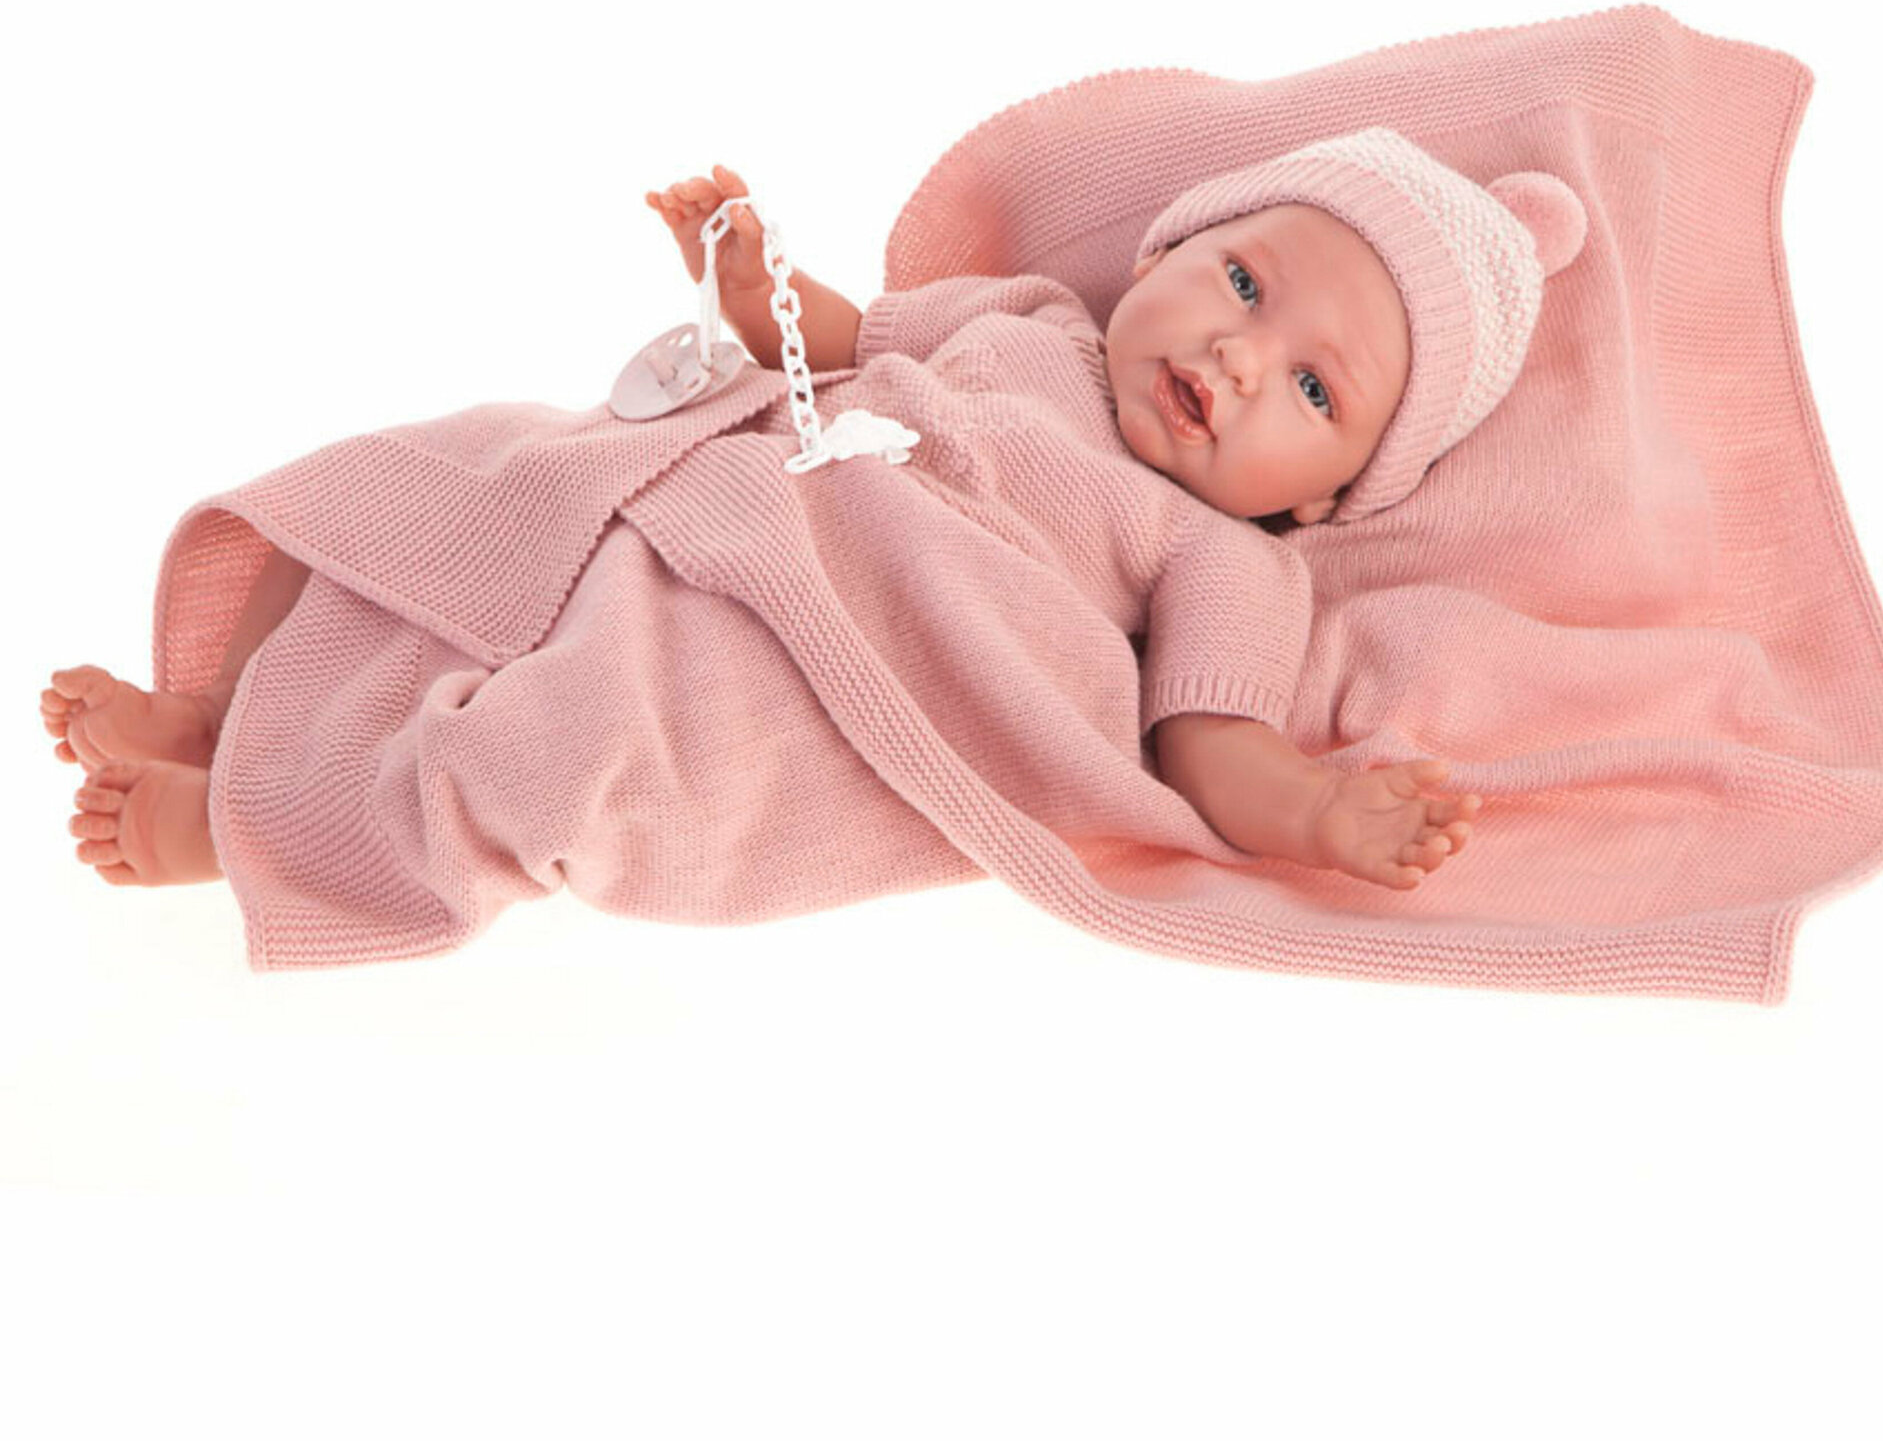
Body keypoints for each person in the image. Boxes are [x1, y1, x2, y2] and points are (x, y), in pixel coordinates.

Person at [43, 130, 1585, 939]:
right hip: (690, 492)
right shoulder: (1032, 318)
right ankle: (226, 713)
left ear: (1322, 498)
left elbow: (1209, 745)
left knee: (555, 746)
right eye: (1244, 283)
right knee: (408, 492)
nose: (1241, 356)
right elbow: (840, 340)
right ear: (1174, 245)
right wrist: (753, 278)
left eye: (1313, 389)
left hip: (811, 658)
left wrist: (1314, 814)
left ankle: (255, 834)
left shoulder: (1227, 561)